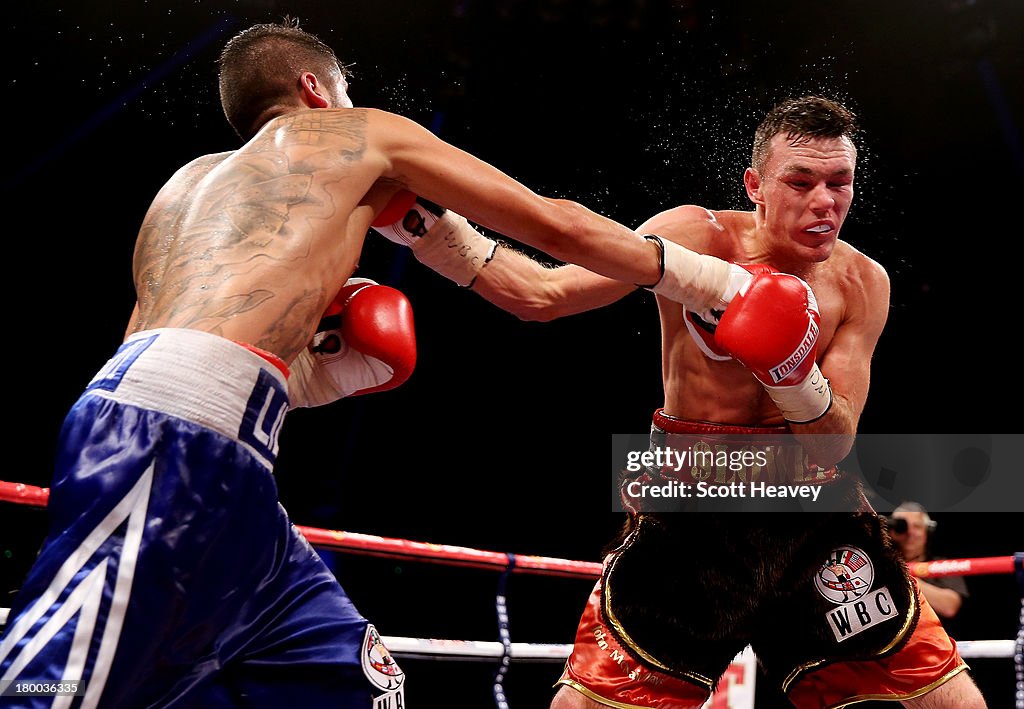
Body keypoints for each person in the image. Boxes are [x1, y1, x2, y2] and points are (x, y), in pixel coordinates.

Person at [0, 19, 754, 708]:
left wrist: (296, 381)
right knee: (44, 690)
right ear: (316, 89)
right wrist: (715, 281)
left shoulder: (183, 191)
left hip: (220, 464)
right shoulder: (355, 134)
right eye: (347, 92)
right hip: (169, 455)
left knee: (363, 689)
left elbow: (534, 292)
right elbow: (554, 222)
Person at [375, 96, 987, 707]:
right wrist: (419, 226)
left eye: (840, 182)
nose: (824, 202)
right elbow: (544, 293)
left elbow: (836, 440)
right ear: (756, 185)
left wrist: (790, 371)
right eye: (800, 182)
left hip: (815, 521)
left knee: (953, 703)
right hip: (692, 511)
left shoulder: (861, 282)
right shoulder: (694, 240)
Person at [889, 502, 969, 622]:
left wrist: (905, 575)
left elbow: (949, 606)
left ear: (927, 532)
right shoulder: (882, 567)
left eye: (917, 526)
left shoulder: (942, 565)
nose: (910, 532)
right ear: (892, 532)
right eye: (902, 527)